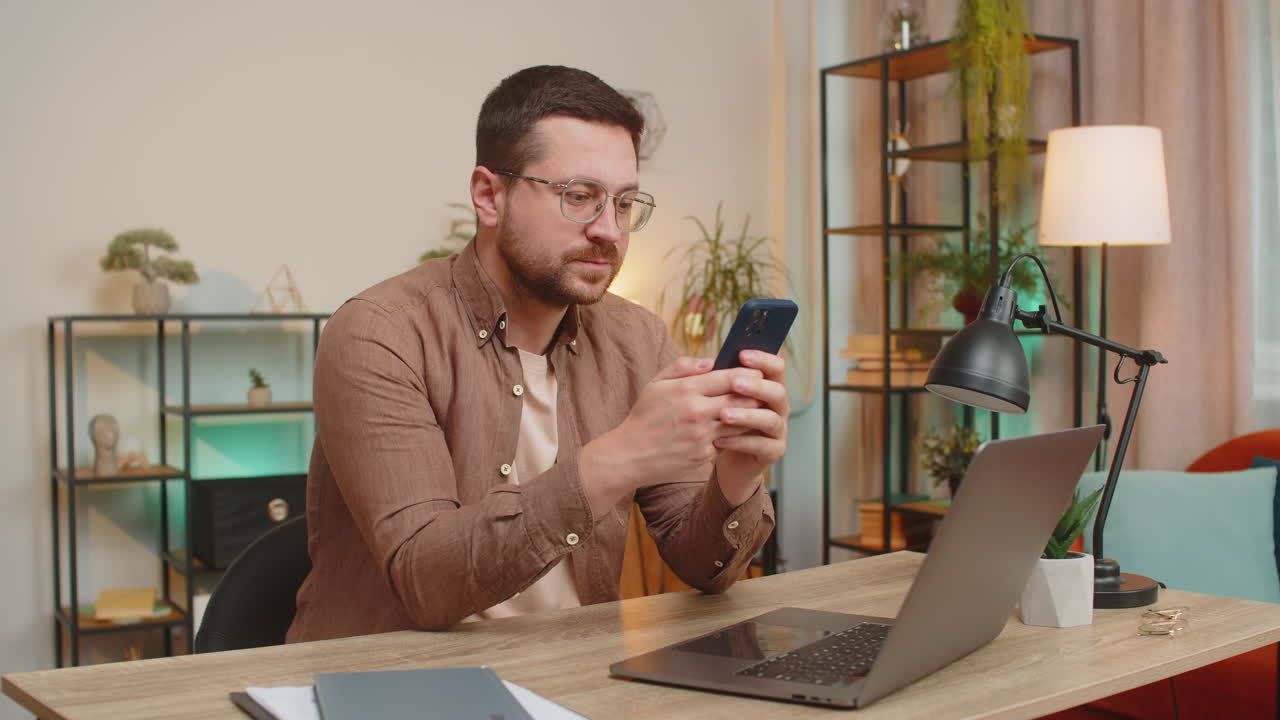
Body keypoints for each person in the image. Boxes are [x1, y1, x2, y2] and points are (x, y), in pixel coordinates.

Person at [287, 65, 787, 642]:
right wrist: (619, 458)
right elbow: (427, 583)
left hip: (572, 677)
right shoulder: (380, 334)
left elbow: (704, 569)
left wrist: (737, 475)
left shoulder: (638, 339)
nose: (610, 230)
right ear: (488, 195)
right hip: (388, 683)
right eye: (580, 197)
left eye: (625, 204)